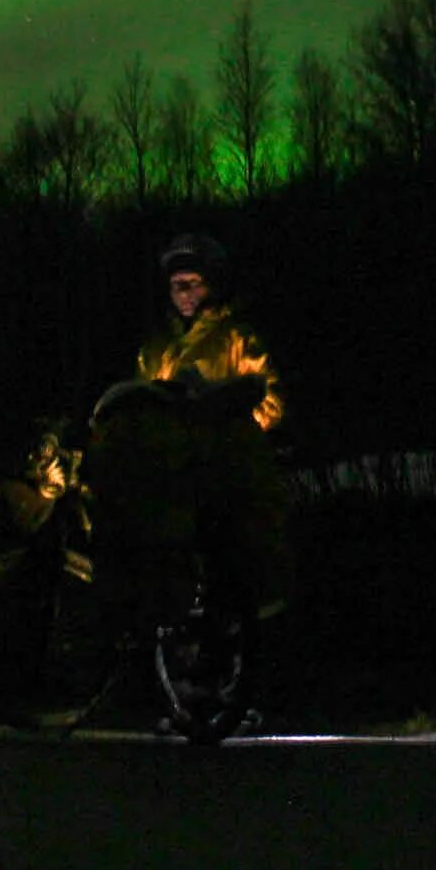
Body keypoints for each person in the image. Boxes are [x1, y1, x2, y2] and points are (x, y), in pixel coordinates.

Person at [84, 234, 291, 619]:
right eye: (177, 285)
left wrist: (221, 411)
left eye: (194, 283)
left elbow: (270, 400)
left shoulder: (236, 337)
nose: (185, 293)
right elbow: (141, 402)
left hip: (224, 466)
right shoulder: (157, 347)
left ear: (211, 284)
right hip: (168, 470)